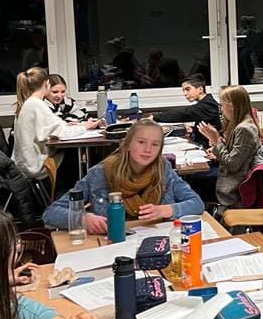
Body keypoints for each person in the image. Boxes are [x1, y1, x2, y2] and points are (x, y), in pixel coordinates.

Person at [43, 119, 203, 232]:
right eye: (141, 142)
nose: (148, 149)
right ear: (127, 145)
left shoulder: (163, 169)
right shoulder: (100, 173)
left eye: (155, 144)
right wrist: (83, 219)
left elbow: (196, 203)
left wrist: (167, 210)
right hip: (110, 246)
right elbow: (51, 213)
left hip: (156, 242)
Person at [11, 68, 100, 180]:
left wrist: (80, 126)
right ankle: (74, 189)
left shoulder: (29, 103)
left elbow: (54, 128)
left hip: (25, 163)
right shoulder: (37, 105)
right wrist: (85, 127)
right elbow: (63, 132)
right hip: (35, 166)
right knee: (78, 155)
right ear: (47, 84)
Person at [196, 85, 263, 211]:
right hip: (235, 175)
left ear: (232, 106)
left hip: (236, 184)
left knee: (194, 182)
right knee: (195, 178)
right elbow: (236, 155)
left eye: (222, 105)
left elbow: (233, 164)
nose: (221, 109)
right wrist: (217, 147)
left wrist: (217, 142)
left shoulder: (244, 129)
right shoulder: (238, 125)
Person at [153, 74, 221, 149]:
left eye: (188, 89)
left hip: (210, 149)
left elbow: (184, 113)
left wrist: (154, 117)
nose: (185, 93)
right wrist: (191, 129)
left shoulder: (207, 105)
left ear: (200, 89)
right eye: (183, 90)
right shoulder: (204, 104)